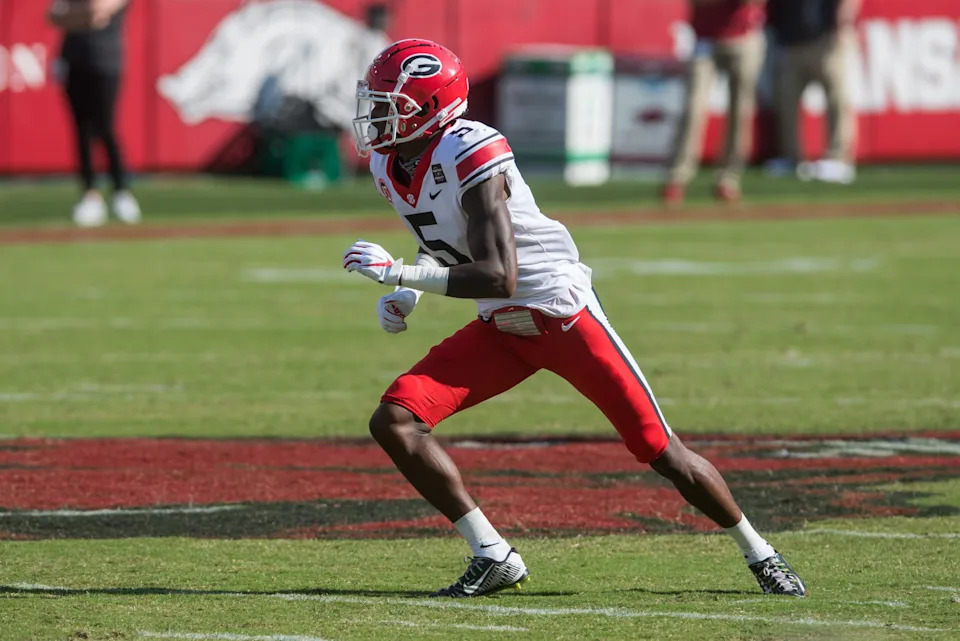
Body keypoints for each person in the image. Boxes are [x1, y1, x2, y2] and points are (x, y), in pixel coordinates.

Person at [342, 38, 806, 599]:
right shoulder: (391, 163)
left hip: (559, 314)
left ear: (432, 107)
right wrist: (409, 290)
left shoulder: (471, 149)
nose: (378, 117)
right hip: (502, 327)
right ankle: (492, 555)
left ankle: (761, 553)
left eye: (392, 105)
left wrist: (400, 275)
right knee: (396, 420)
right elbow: (444, 239)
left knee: (661, 450)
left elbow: (499, 275)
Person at [662, 0, 767, 205]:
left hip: (743, 36)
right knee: (693, 108)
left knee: (739, 112)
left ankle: (728, 178)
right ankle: (677, 176)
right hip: (705, 38)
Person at [48, 0, 141, 227]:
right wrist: (80, 17)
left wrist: (73, 16)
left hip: (105, 61)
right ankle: (90, 194)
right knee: (82, 131)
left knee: (106, 128)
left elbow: (96, 10)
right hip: (73, 61)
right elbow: (54, 16)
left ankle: (121, 191)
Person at [765, 0, 860, 184]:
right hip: (789, 41)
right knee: (786, 101)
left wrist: (844, 20)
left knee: (837, 99)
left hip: (826, 38)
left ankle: (838, 158)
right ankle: (792, 157)